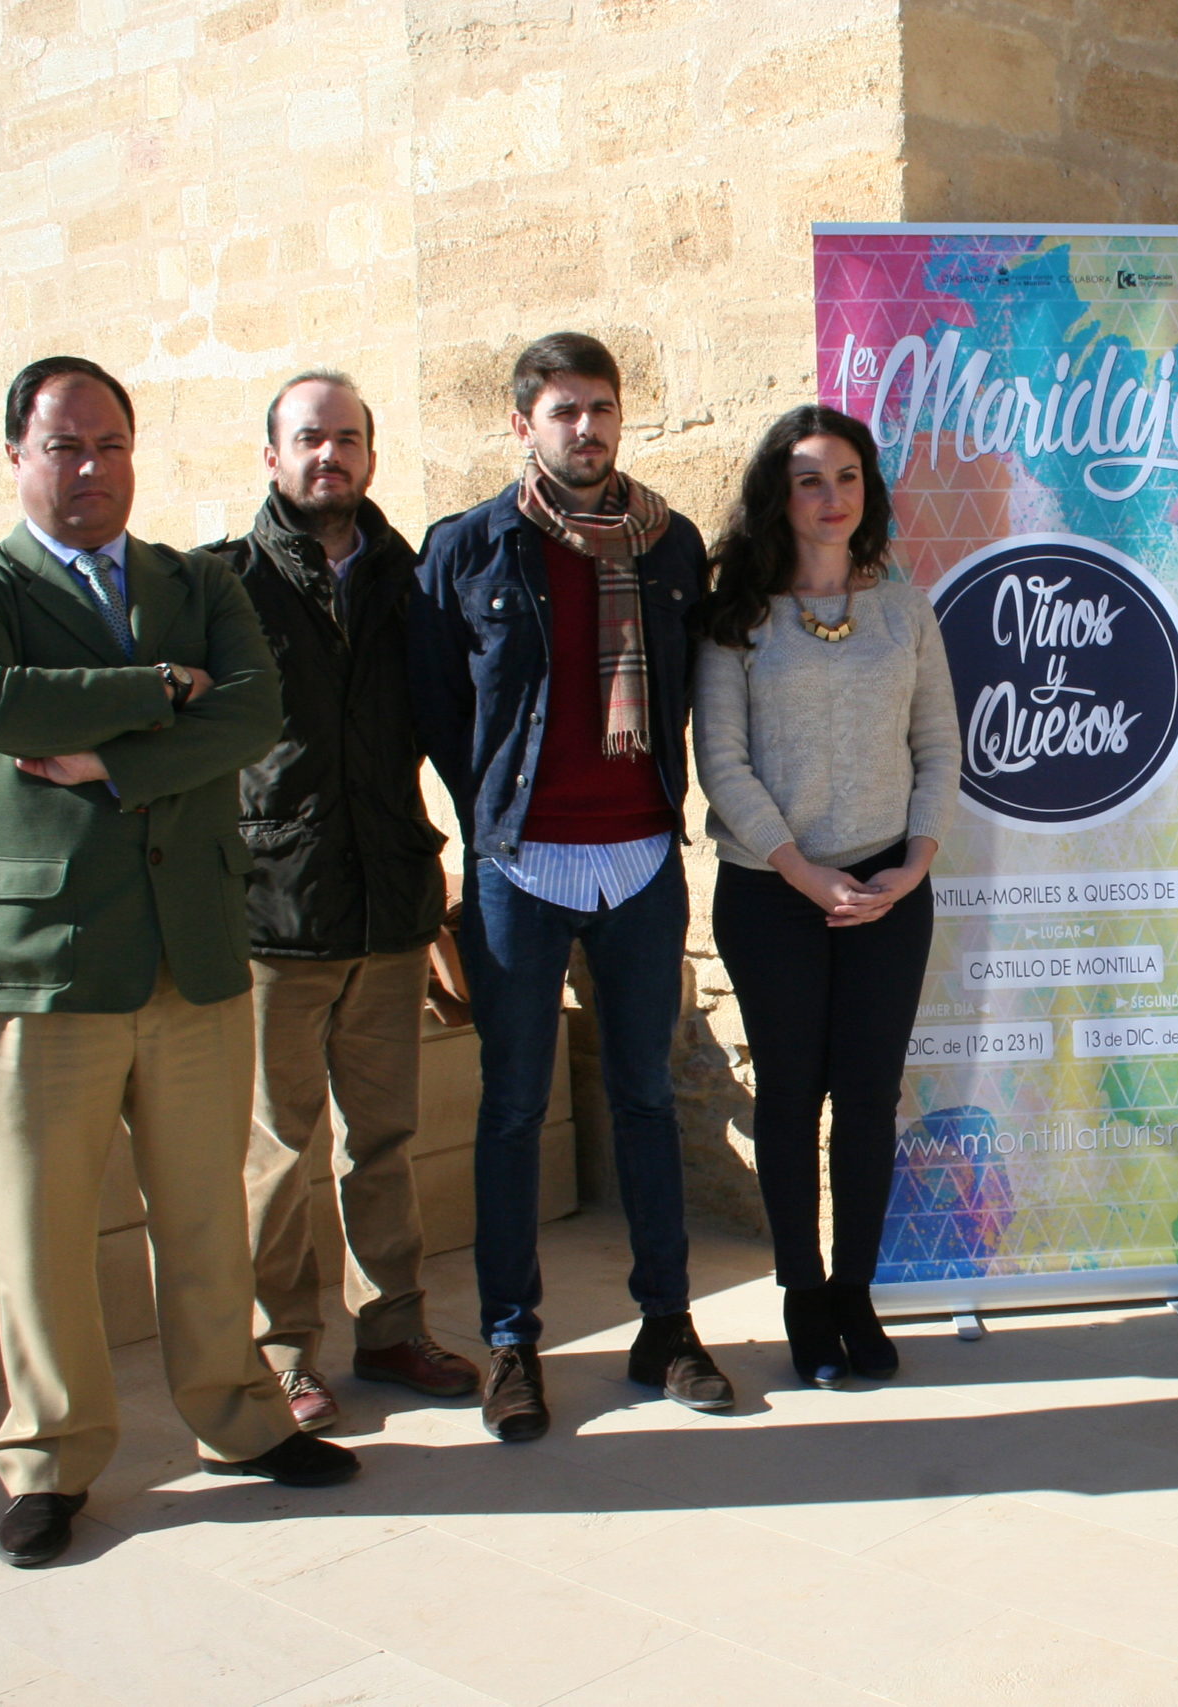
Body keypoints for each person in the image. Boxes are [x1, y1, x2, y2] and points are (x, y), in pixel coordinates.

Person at [0, 357, 358, 1570]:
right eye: (64, 447)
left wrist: (109, 755)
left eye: (110, 444)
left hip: (193, 951)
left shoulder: (193, 581)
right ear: (18, 456)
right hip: (40, 964)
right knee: (44, 1235)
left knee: (207, 1215)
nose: (91, 469)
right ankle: (50, 1464)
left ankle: (240, 1422)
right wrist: (159, 691)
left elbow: (254, 713)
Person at [410, 332, 729, 1440]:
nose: (584, 428)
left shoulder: (673, 545)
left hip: (640, 858)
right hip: (519, 870)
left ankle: (667, 1329)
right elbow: (438, 709)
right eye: (562, 411)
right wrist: (490, 821)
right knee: (512, 1107)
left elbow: (693, 691)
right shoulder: (470, 550)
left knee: (644, 1092)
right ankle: (511, 1342)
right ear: (522, 427)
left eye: (600, 408)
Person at [210, 370, 479, 1431]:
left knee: (385, 1140)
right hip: (274, 917)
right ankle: (281, 1351)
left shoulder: (413, 581)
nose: (330, 457)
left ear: (371, 455)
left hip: (388, 907)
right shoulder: (220, 585)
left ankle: (392, 1327)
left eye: (348, 440)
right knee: (279, 1150)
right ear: (273, 456)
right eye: (308, 439)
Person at [693, 407, 960, 1386]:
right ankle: (803, 1296)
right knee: (791, 1097)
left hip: (890, 890)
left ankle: (856, 1290)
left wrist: (913, 863)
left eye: (846, 477)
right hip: (774, 894)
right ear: (780, 494)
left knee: (867, 1101)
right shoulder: (738, 616)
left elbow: (939, 746)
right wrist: (808, 876)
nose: (831, 496)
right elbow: (720, 763)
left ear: (867, 490)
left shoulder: (902, 606)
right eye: (809, 479)